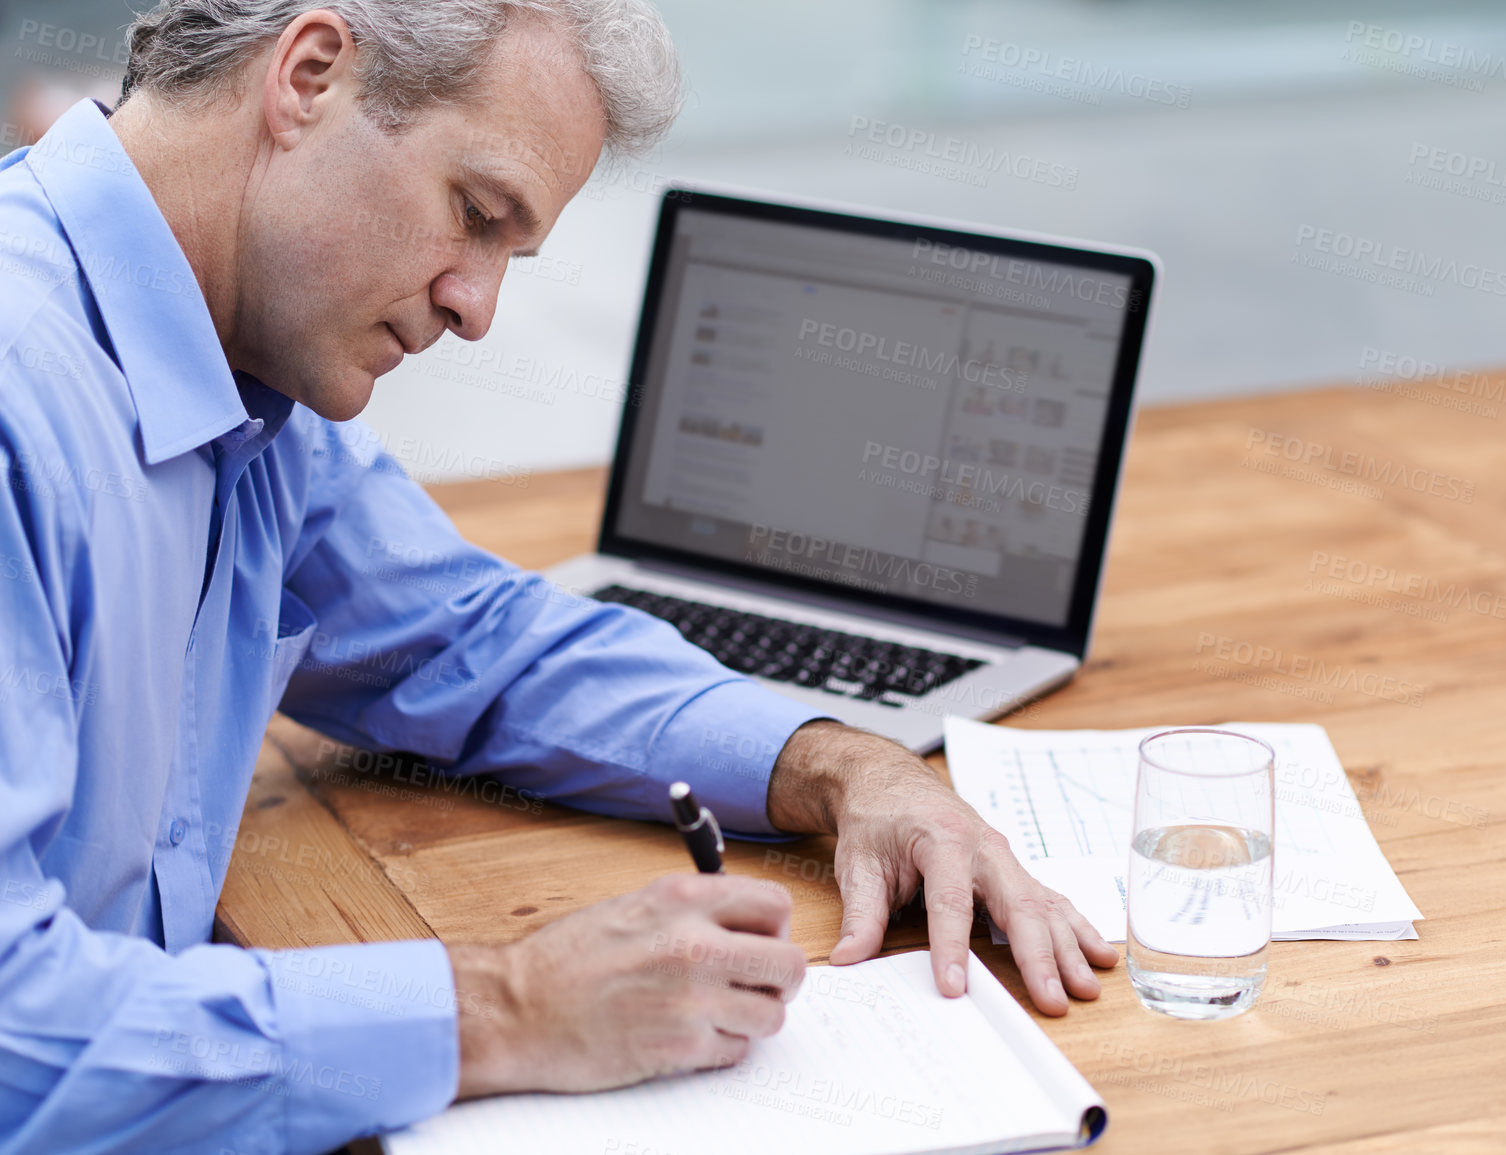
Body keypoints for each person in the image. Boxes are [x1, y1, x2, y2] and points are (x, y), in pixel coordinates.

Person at [0, 1, 1118, 1150]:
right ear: (312, 74)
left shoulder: (244, 369)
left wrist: (839, 772)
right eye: (476, 215)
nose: (476, 310)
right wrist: (511, 1009)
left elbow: (469, 641)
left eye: (508, 252)